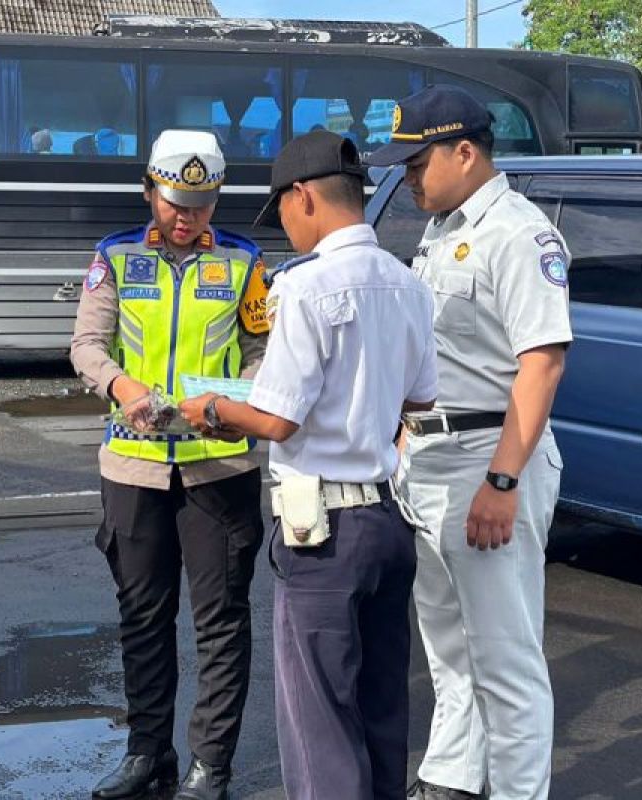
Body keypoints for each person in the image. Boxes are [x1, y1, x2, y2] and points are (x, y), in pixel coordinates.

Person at [180, 130, 439, 800]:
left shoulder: (304, 286)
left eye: (284, 213)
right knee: (383, 709)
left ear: (302, 197)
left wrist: (213, 407)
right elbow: (420, 398)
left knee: (320, 723)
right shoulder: (408, 283)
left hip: (322, 531)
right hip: (389, 518)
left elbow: (278, 419)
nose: (287, 228)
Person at [365, 84, 572, 800]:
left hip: (488, 455)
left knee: (506, 658)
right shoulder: (440, 228)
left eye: (416, 162)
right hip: (429, 457)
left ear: (464, 151)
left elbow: (542, 363)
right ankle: (452, 776)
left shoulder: (519, 233)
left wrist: (503, 481)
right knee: (449, 643)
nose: (407, 177)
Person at [70, 129, 271, 800]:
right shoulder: (115, 256)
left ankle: (211, 765)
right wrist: (123, 387)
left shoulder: (244, 262)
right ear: (149, 191)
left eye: (202, 205)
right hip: (134, 466)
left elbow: (263, 353)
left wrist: (232, 404)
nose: (187, 218)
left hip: (220, 467)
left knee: (221, 622)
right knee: (142, 617)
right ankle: (147, 752)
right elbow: (87, 345)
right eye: (175, 203)